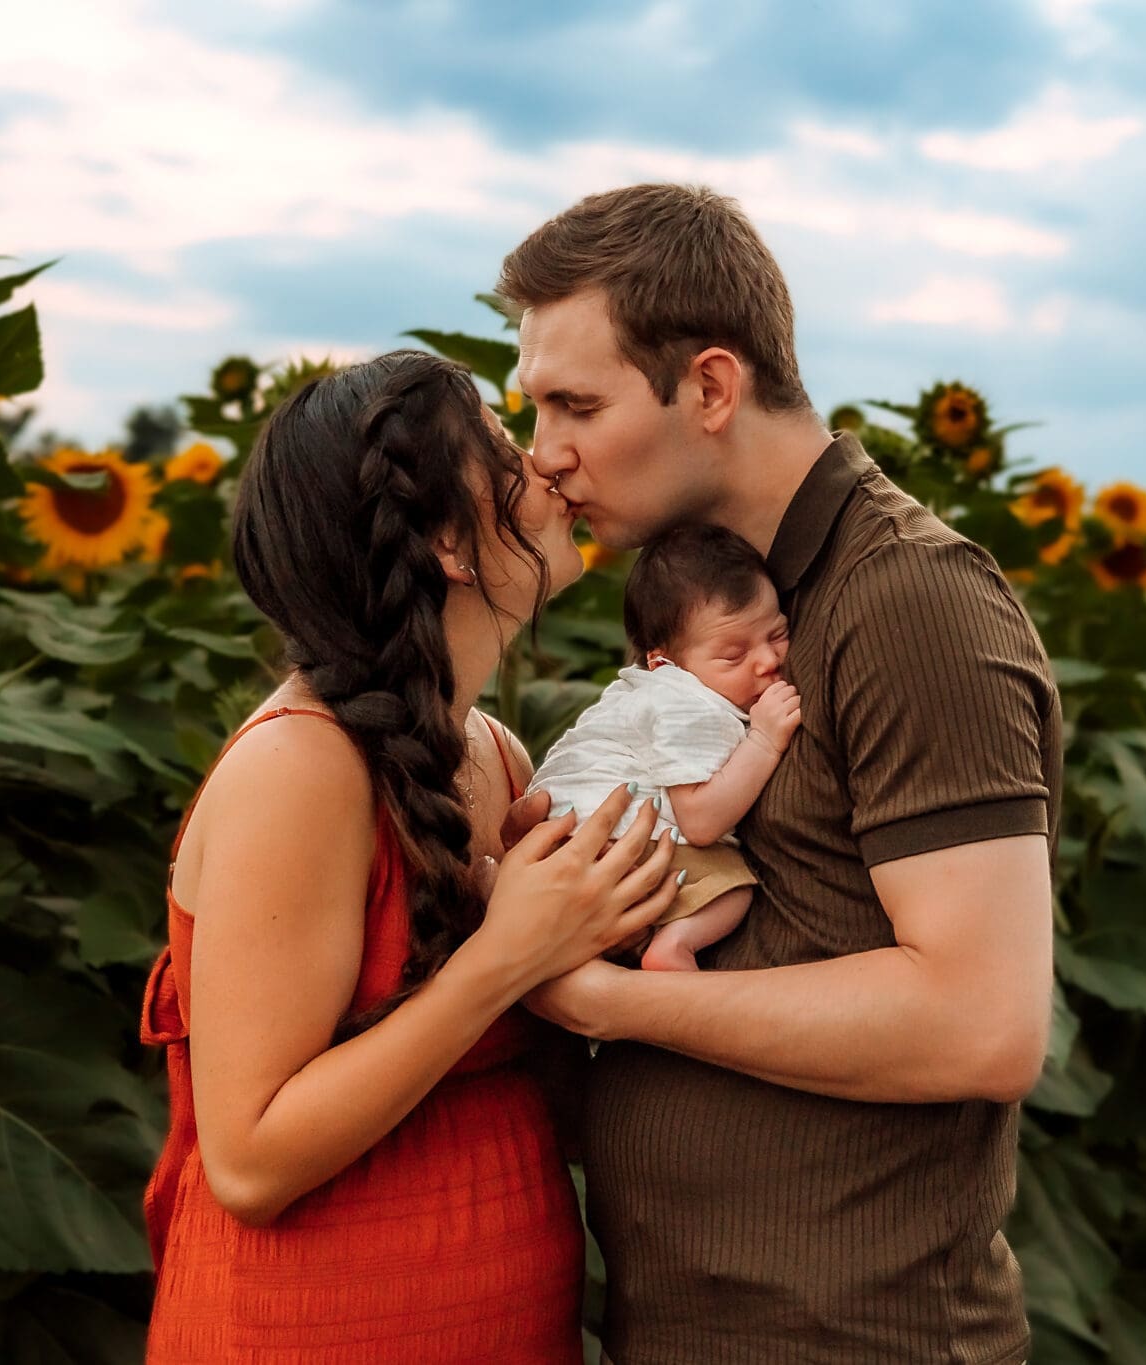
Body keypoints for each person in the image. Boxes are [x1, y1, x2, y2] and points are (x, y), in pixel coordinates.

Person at [498, 185, 1063, 1364]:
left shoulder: (907, 602)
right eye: (532, 408)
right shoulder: (717, 598)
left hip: (856, 1336)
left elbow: (980, 1024)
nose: (542, 454)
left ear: (709, 386)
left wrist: (611, 1002)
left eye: (574, 405)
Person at [138, 349, 681, 1363]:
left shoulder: (488, 754)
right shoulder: (301, 769)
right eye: (508, 453)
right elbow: (250, 1161)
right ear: (445, 539)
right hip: (309, 1328)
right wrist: (505, 958)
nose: (551, 468)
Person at [527, 524, 803, 971]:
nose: (768, 661)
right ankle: (675, 946)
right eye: (733, 655)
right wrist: (765, 740)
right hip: (612, 841)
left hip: (558, 844)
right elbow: (700, 821)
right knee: (734, 887)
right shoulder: (687, 703)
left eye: (777, 633)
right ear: (664, 662)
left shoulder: (647, 693)